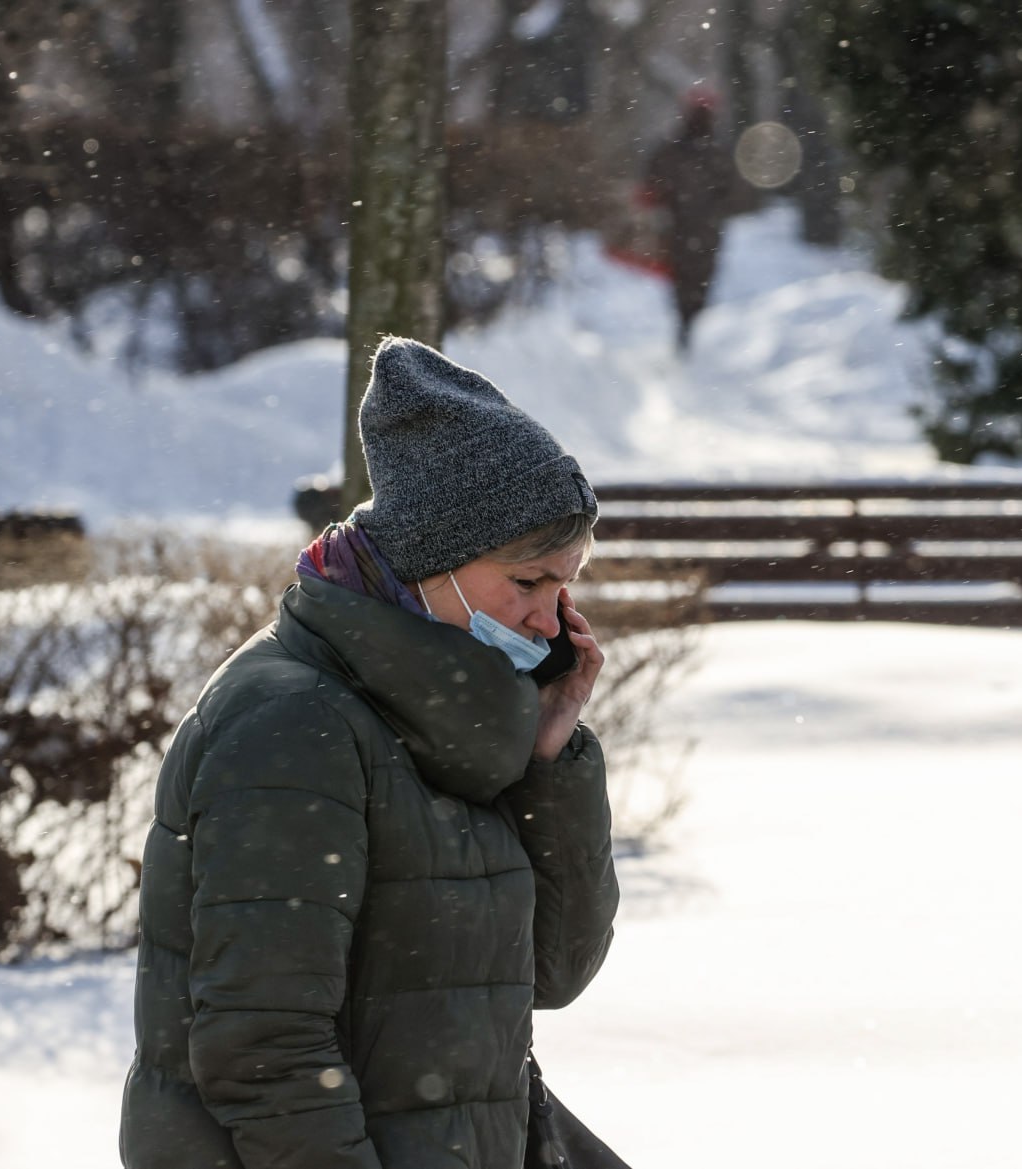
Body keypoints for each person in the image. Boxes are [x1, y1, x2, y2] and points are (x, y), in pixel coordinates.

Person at [119, 336, 620, 1169]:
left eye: (564, 585)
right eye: (525, 582)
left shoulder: (459, 714)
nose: (549, 615)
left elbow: (552, 973)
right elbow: (266, 1052)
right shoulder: (293, 726)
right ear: (431, 564)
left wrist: (550, 758)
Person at [643, 84, 749, 351]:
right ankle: (688, 327)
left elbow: (653, 181)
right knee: (692, 281)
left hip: (689, 229)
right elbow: (733, 192)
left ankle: (688, 327)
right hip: (692, 229)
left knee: (689, 281)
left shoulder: (681, 149)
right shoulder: (711, 152)